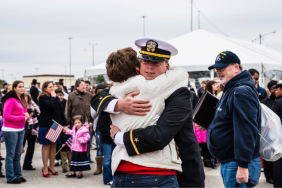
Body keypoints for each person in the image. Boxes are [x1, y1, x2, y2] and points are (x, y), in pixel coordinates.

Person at [91, 38, 205, 187]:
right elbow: (98, 97)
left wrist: (118, 137)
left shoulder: (179, 93)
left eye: (156, 63)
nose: (150, 67)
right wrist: (119, 104)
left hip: (174, 170)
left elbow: (160, 135)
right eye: (145, 61)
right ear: (138, 65)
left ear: (167, 66)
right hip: (128, 171)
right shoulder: (133, 86)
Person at [204, 51, 261, 187]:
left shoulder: (240, 91)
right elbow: (228, 121)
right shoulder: (232, 88)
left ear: (236, 67)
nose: (218, 71)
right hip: (232, 161)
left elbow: (246, 129)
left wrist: (242, 165)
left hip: (237, 163)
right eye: (217, 69)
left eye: (222, 68)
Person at [1, 80, 29, 184]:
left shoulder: (22, 99)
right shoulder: (10, 100)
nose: (22, 88)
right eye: (19, 87)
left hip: (20, 129)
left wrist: (26, 115)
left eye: (23, 86)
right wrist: (22, 118)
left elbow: (24, 112)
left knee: (17, 154)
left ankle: (18, 175)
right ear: (14, 88)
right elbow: (6, 116)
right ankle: (10, 177)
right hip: (10, 130)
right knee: (11, 154)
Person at [37, 81, 64, 177]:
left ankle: (52, 167)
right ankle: (45, 168)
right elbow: (51, 106)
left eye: (53, 86)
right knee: (46, 146)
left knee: (54, 146)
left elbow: (60, 108)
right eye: (50, 87)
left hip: (55, 124)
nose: (52, 88)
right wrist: (53, 97)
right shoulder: (42, 98)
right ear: (45, 88)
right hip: (45, 125)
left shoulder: (55, 97)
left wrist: (55, 97)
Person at [261, 80, 278, 184]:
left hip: (277, 133)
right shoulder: (265, 102)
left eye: (277, 88)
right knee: (268, 155)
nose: (275, 90)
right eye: (273, 88)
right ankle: (268, 176)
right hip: (268, 133)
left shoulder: (280, 100)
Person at [90, 84, 107, 176]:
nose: (100, 93)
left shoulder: (110, 99)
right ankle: (99, 167)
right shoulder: (94, 101)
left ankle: (107, 167)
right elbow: (93, 115)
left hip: (108, 127)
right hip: (98, 127)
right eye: (98, 91)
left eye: (102, 91)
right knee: (99, 146)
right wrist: (100, 106)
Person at [22, 93, 40, 171]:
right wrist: (31, 110)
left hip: (32, 128)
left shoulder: (32, 104)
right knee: (20, 147)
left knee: (31, 146)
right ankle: (15, 165)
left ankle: (27, 163)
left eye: (27, 98)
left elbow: (36, 112)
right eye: (24, 98)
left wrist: (32, 111)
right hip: (23, 128)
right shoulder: (20, 104)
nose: (26, 100)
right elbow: (22, 112)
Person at [270, 80, 282, 187]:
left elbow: (271, 122)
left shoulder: (278, 103)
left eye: (277, 89)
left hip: (280, 139)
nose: (275, 91)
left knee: (279, 163)